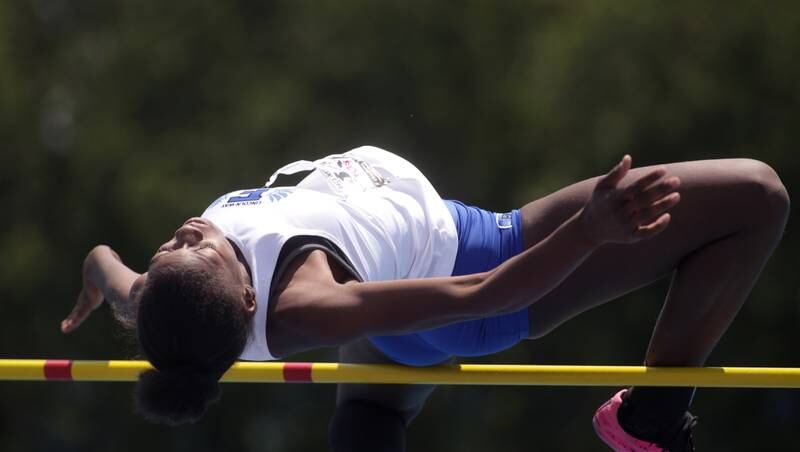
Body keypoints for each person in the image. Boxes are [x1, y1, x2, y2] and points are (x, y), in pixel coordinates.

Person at [61, 146, 789, 451]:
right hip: (477, 269)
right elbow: (482, 292)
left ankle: (369, 422)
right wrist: (590, 230)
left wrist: (99, 280)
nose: (190, 231)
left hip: (392, 318)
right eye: (205, 249)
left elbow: (106, 265)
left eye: (173, 246)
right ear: (248, 298)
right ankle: (650, 421)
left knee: (375, 405)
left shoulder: (163, 306)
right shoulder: (310, 305)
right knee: (757, 196)